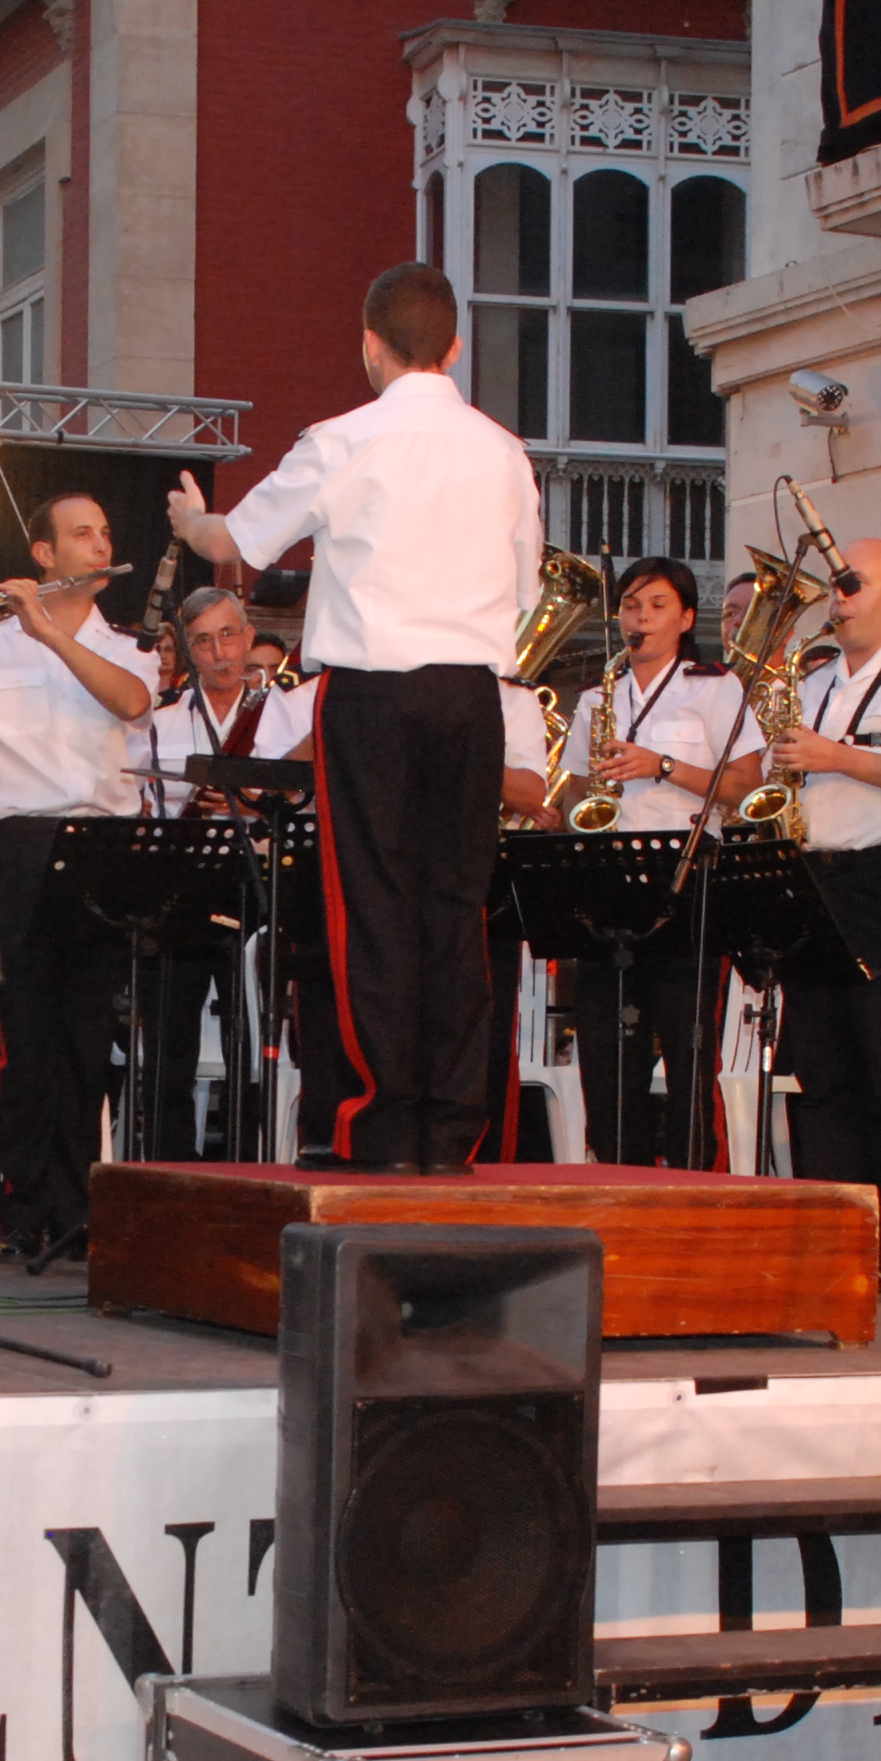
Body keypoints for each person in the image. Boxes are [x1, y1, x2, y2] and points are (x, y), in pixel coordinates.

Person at [168, 261, 540, 1175]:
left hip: (373, 691)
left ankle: (379, 1126)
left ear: (369, 346)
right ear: (454, 347)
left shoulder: (342, 439)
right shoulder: (503, 451)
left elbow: (233, 543)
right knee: (454, 912)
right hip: (471, 692)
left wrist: (188, 519)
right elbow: (527, 592)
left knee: (371, 907)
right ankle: (452, 1133)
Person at [0, 494, 148, 1257]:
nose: (100, 542)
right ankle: (23, 1202)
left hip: (105, 849)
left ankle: (79, 1204)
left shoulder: (126, 645)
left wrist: (48, 632)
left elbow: (134, 702)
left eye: (105, 531)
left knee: (88, 1035)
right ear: (43, 554)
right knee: (31, 1032)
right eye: (83, 533)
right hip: (13, 845)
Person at [770, 539, 881, 1273]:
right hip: (817, 876)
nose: (836, 596)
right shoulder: (814, 682)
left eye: (853, 583)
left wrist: (835, 757)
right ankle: (829, 1227)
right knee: (819, 1062)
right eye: (834, 585)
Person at [553, 556, 739, 1165]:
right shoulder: (594, 696)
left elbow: (744, 784)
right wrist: (582, 799)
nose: (642, 617)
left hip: (686, 880)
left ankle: (695, 1188)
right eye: (632, 605)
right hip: (609, 883)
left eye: (658, 605)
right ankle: (615, 1174)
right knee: (606, 1052)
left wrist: (659, 765)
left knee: (688, 1050)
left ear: (686, 618)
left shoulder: (714, 686)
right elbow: (576, 789)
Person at [131, 587, 312, 1157]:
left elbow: (308, 799)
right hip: (181, 885)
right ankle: (168, 1165)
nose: (219, 651)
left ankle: (250, 1160)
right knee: (169, 1040)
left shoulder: (288, 715)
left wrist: (253, 800)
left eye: (229, 635)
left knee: (254, 1037)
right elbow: (143, 801)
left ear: (249, 638)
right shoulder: (158, 722)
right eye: (203, 641)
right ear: (188, 650)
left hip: (261, 886)